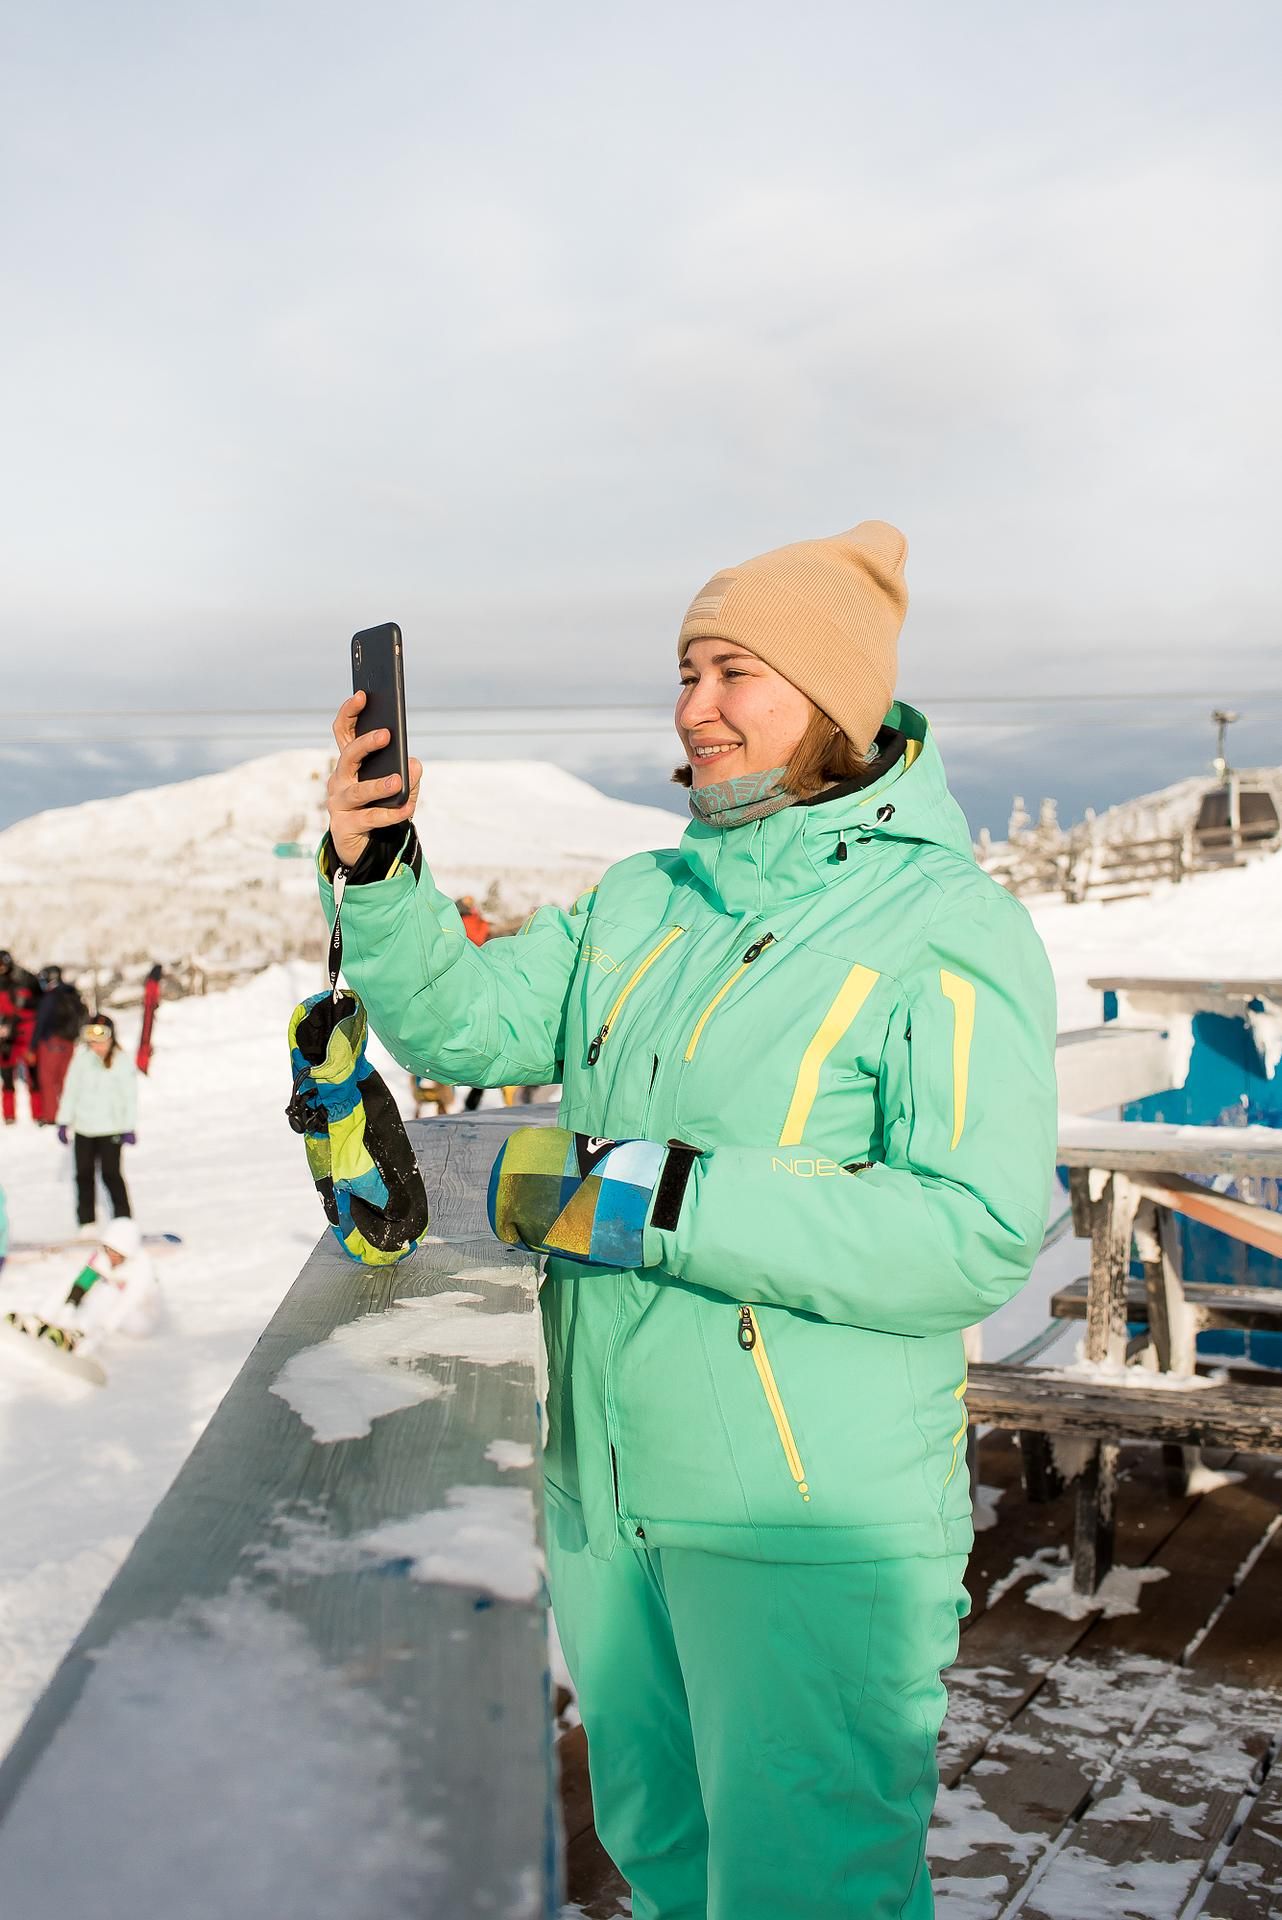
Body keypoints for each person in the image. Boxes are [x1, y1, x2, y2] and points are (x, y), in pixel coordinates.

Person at [319, 520, 1058, 1920]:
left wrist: (660, 1197)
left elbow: (967, 1232)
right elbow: (457, 1016)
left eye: (735, 673)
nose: (692, 708)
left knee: (804, 1892)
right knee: (665, 1866)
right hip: (605, 1494)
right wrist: (379, 869)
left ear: (832, 701)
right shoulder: (640, 899)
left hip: (798, 1520)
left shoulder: (944, 924)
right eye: (683, 671)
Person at [6, 1216, 160, 1359]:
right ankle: (41, 1319)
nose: (111, 1256)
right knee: (75, 1278)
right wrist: (69, 1307)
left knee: (107, 1292)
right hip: (113, 1309)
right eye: (109, 1250)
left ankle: (78, 1335)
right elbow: (82, 1280)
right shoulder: (103, 1255)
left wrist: (100, 1334)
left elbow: (126, 1304)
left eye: (116, 1253)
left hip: (141, 1318)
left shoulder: (142, 1268)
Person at [55, 1013, 138, 1229]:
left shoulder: (121, 1061)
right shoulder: (81, 1059)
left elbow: (129, 1097)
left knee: (112, 1175)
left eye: (102, 1040)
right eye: (92, 1040)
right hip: (84, 1128)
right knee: (83, 1176)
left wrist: (128, 1126)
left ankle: (123, 1222)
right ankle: (87, 1223)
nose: (97, 1046)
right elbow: (71, 1091)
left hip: (111, 1129)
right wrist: (64, 1121)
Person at [33, 965, 86, 1125]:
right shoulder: (71, 992)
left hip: (51, 1042)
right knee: (65, 1079)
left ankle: (52, 1117)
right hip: (69, 1042)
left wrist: (32, 1046)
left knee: (48, 1080)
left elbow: (40, 1022)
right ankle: (70, 1114)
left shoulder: (50, 997)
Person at [455, 897, 493, 1111]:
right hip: (477, 971)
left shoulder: (458, 921)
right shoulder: (476, 922)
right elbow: (481, 937)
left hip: (466, 972)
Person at [0, 949, 42, 1125]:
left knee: (34, 1075)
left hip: (27, 1033)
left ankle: (39, 1114)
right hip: (5, 1036)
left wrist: (25, 1004)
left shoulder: (26, 979)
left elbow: (42, 1002)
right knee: (7, 1077)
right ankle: (9, 1116)